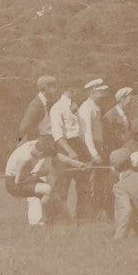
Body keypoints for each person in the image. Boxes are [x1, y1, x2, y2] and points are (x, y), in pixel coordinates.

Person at [49, 85, 89, 220]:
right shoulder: (57, 108)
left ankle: (82, 218)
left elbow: (81, 130)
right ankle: (59, 219)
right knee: (62, 185)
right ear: (70, 89)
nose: (79, 93)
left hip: (78, 144)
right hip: (65, 147)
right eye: (77, 90)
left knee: (83, 184)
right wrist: (70, 151)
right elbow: (58, 135)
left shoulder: (75, 107)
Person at [76, 78, 109, 221]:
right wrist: (94, 153)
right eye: (99, 92)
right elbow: (86, 133)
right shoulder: (86, 108)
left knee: (100, 183)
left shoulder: (96, 107)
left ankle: (97, 214)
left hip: (98, 146)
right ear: (92, 92)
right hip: (90, 149)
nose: (102, 94)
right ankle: (87, 215)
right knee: (91, 183)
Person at [18, 75, 58, 142]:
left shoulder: (49, 101)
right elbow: (24, 128)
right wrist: (39, 136)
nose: (55, 90)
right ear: (45, 88)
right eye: (53, 87)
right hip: (39, 141)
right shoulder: (36, 104)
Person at [103, 86, 135, 155]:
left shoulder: (126, 113)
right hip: (116, 149)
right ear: (122, 99)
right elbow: (107, 136)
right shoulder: (110, 115)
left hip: (127, 148)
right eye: (130, 99)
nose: (131, 102)